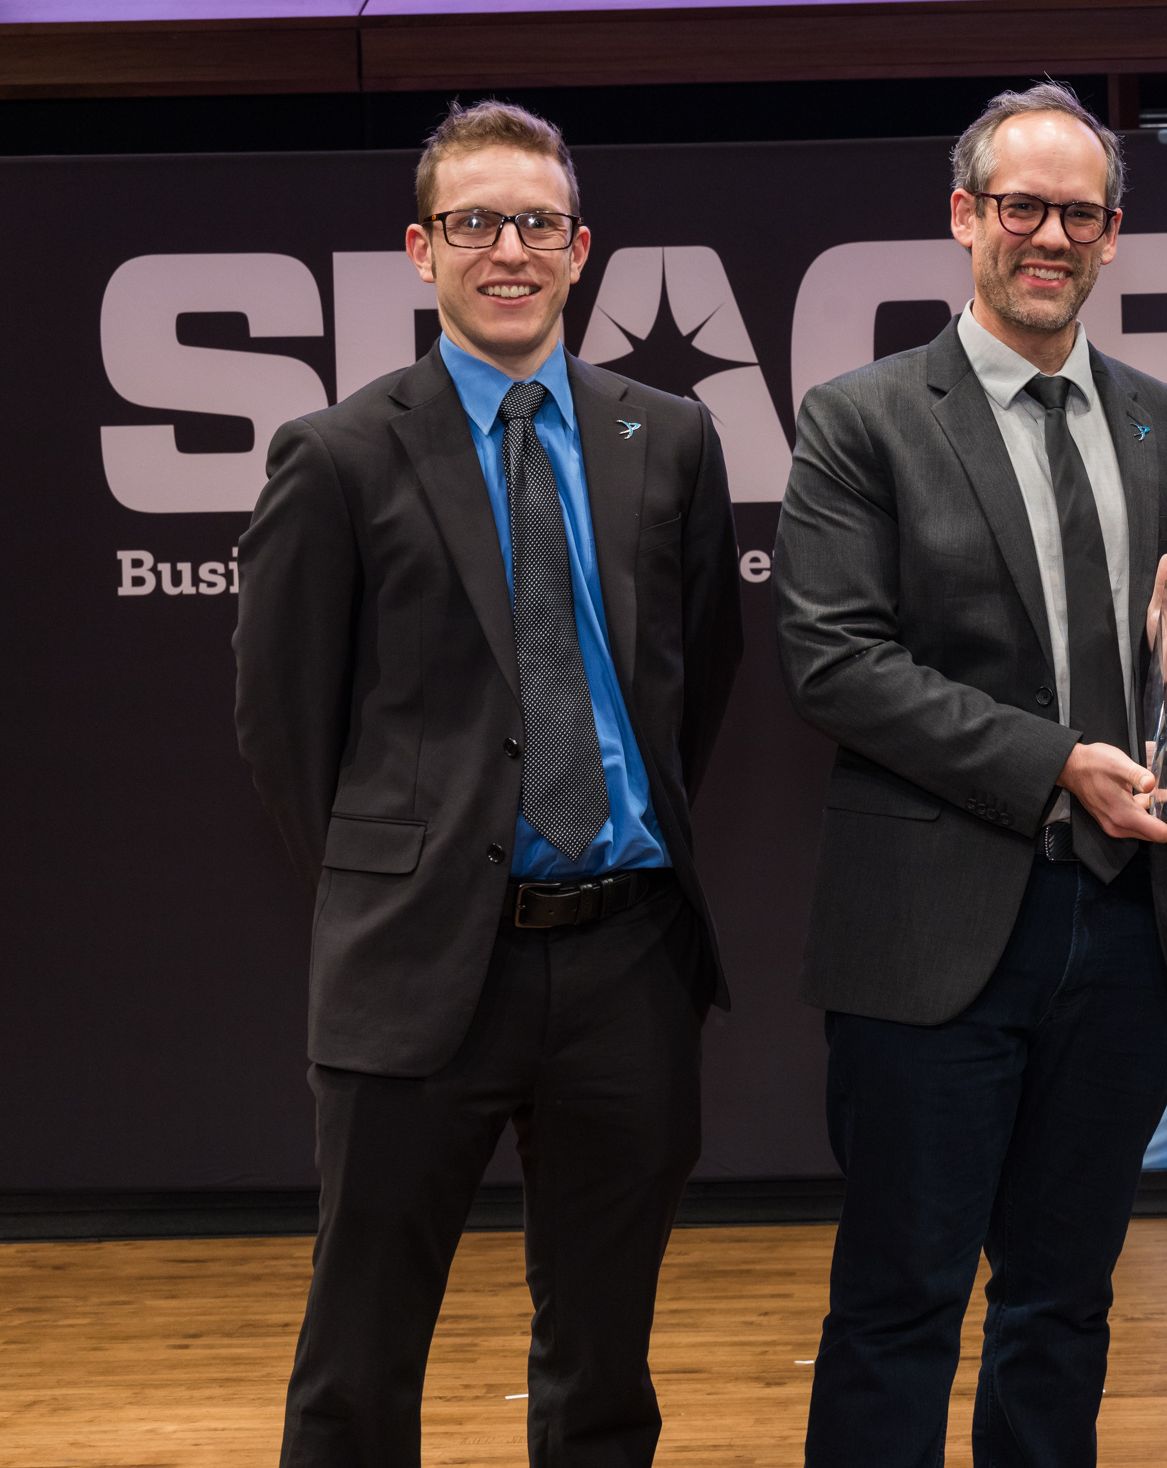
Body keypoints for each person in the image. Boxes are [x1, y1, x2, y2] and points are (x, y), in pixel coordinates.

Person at [234, 98, 744, 1466]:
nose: (507, 251)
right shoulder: (339, 454)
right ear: (422, 249)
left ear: (581, 248)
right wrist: (405, 876)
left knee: (605, 1368)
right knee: (357, 1366)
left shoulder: (671, 439)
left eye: (536, 224)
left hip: (629, 959)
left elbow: (696, 680)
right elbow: (284, 726)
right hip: (420, 964)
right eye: (473, 223)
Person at [774, 81, 1167, 1468]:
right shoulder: (862, 418)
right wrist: (1056, 763)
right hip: (930, 935)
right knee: (900, 1304)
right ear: (965, 216)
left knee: (1064, 1303)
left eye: (1080, 214)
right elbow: (834, 661)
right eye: (1022, 207)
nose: (1050, 236)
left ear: (1112, 233)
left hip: (1124, 932)